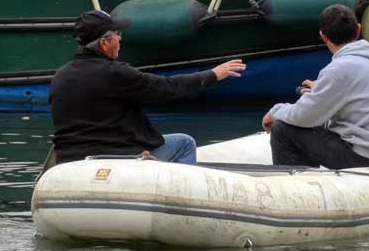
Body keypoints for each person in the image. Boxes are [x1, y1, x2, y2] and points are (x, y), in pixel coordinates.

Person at [50, 10, 246, 165]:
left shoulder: (59, 76)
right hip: (116, 159)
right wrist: (212, 75)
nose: (120, 39)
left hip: (69, 162)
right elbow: (167, 88)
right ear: (104, 42)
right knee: (184, 143)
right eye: (117, 34)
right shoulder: (116, 73)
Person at [261, 4, 369, 169]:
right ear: (358, 29)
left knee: (282, 129)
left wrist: (275, 111)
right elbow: (358, 92)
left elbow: (304, 117)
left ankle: (295, 184)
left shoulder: (339, 69)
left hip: (365, 156)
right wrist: (322, 89)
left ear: (323, 36)